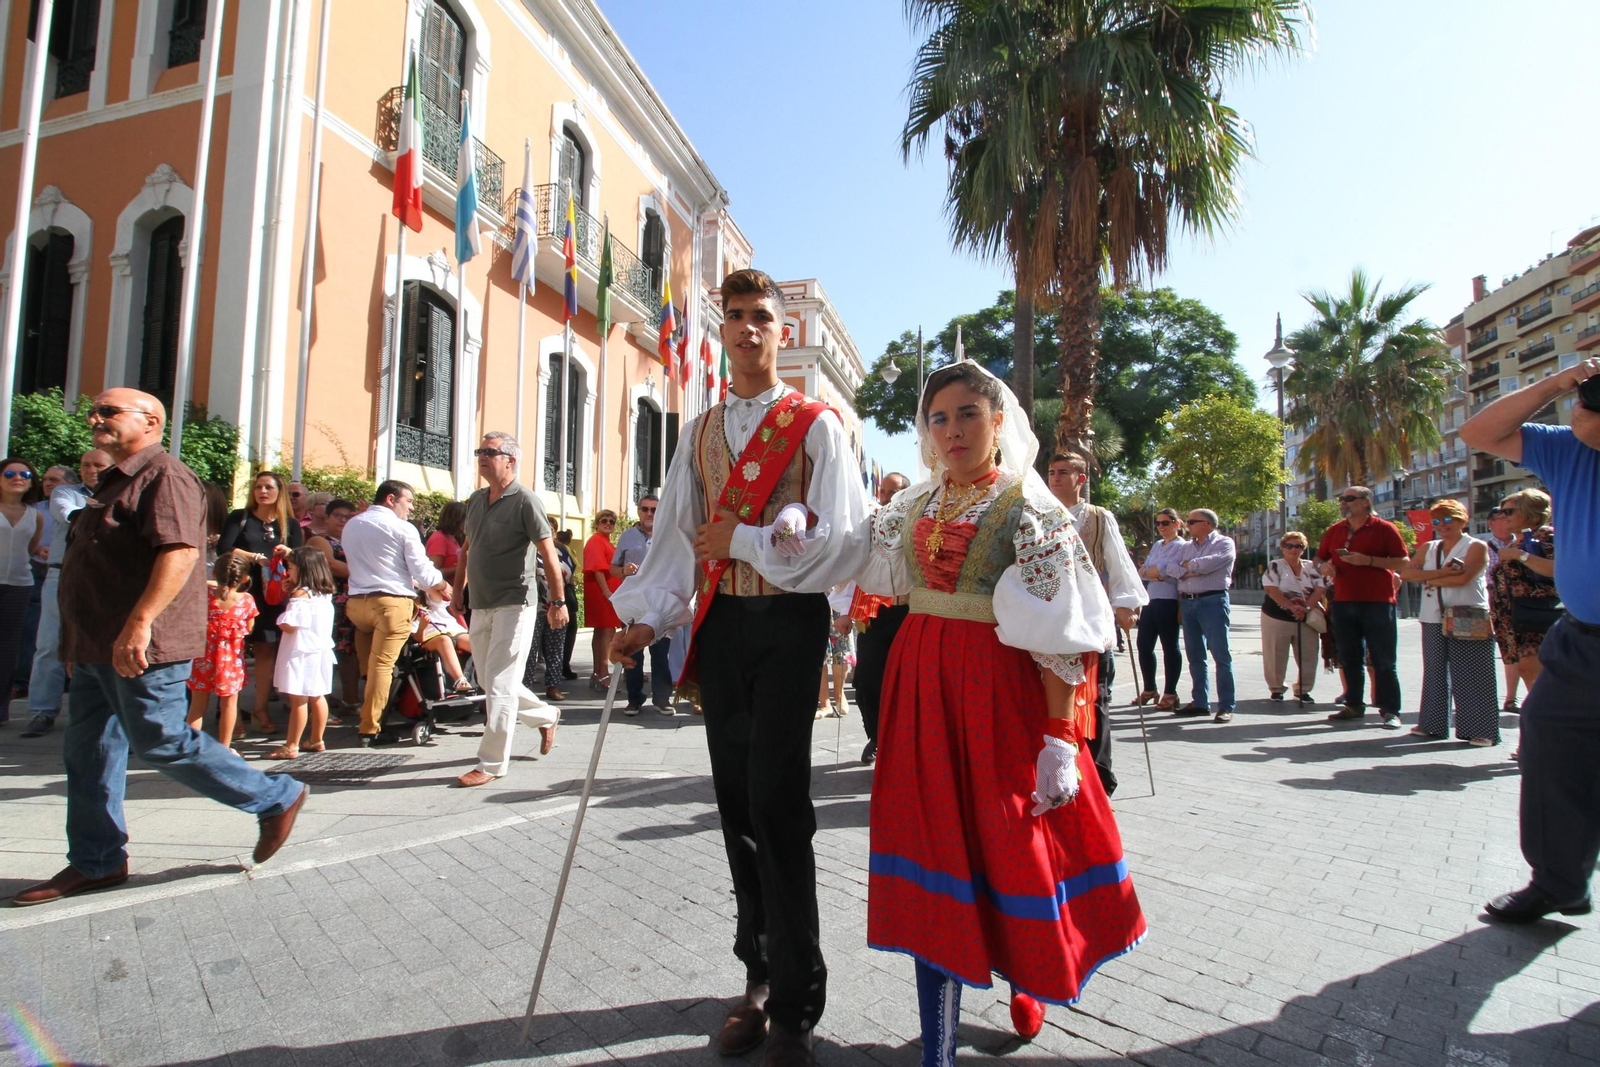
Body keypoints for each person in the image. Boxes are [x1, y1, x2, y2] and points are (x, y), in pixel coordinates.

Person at [609, 268, 870, 1067]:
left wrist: (750, 542)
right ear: (721, 329)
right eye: (736, 316)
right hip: (722, 629)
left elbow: (845, 543)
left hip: (789, 628)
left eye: (763, 316)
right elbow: (678, 543)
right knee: (734, 805)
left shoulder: (820, 425)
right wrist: (645, 617)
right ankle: (757, 974)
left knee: (778, 803)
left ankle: (795, 1003)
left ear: (782, 333)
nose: (750, 328)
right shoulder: (699, 433)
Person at [855, 361, 1144, 1058]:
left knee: (1007, 845)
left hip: (997, 693)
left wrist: (1058, 739)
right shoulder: (909, 507)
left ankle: (1027, 974)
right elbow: (851, 559)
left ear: (999, 420)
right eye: (938, 418)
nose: (951, 430)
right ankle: (939, 1046)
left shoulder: (1032, 507)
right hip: (920, 687)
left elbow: (1063, 634)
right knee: (932, 849)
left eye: (966, 415)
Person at [11, 389, 308, 907]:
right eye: (94, 411)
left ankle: (275, 796)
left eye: (108, 411)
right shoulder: (113, 479)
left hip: (140, 645)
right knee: (89, 752)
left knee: (162, 741)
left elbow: (180, 553)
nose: (94, 418)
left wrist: (141, 623)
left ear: (150, 421)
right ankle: (97, 860)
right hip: (98, 644)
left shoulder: (164, 476)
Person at [1461, 356, 1600, 923]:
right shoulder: (1570, 451)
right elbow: (1479, 432)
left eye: (1584, 406)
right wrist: (1557, 379)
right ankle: (1560, 881)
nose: (1576, 411)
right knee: (1548, 744)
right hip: (1581, 638)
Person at [453, 432, 566, 786]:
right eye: (480, 451)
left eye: (491, 451)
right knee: (487, 679)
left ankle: (490, 764)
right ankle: (546, 715)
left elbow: (548, 554)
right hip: (480, 602)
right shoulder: (474, 500)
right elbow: (466, 551)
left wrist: (557, 602)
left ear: (510, 460)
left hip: (515, 602)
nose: (483, 456)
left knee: (500, 682)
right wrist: (458, 591)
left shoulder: (526, 500)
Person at [1046, 450, 1146, 793]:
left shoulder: (1099, 518)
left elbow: (1119, 563)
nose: (1055, 477)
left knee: (1096, 696)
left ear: (1080, 479)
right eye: (1052, 472)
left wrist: (1127, 603)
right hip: (1050, 620)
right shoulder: (1038, 514)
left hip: (1092, 619)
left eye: (1063, 472)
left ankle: (1101, 776)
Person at [340, 480, 449, 744]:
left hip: (357, 604)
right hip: (391, 604)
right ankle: (370, 728)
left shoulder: (352, 524)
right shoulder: (402, 528)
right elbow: (423, 573)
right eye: (408, 501)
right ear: (391, 499)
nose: (411, 507)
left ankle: (373, 714)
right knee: (382, 667)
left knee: (370, 667)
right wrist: (444, 585)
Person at [21, 449, 111, 737]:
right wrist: (110, 512)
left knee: (99, 647)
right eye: (86, 464)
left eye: (98, 464)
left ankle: (97, 714)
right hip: (61, 574)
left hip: (106, 577)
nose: (91, 469)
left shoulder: (125, 490)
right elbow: (69, 516)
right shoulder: (65, 493)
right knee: (49, 644)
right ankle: (42, 711)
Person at [1397, 499, 1497, 746]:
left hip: (1467, 615)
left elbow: (1463, 579)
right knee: (1434, 672)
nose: (1442, 525)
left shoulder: (1476, 546)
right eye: (1437, 521)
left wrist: (1428, 580)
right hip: (1432, 617)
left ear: (1462, 520)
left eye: (1447, 519)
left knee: (1473, 672)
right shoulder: (1429, 548)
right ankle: (1432, 725)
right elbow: (1407, 574)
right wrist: (1442, 574)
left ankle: (1481, 730)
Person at [217, 471, 305, 734]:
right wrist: (255, 557)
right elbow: (224, 547)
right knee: (232, 650)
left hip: (273, 595)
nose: (262, 491)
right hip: (241, 592)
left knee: (267, 651)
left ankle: (260, 709)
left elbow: (299, 559)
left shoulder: (289, 524)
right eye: (258, 487)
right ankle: (227, 712)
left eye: (268, 487)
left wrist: (288, 554)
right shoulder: (240, 517)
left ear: (279, 491)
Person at [1315, 486, 1409, 729]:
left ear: (1366, 502)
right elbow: (1318, 558)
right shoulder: (1334, 530)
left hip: (1378, 602)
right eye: (1342, 499)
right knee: (1349, 657)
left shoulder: (1384, 528)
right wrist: (1323, 566)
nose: (1344, 503)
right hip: (1344, 602)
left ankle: (1390, 711)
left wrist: (1368, 561)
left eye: (1350, 499)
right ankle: (1354, 704)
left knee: (1384, 659)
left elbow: (1403, 561)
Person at [849, 470, 910, 764]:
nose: (886, 498)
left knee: (906, 683)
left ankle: (903, 743)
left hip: (910, 613)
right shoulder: (870, 523)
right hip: (874, 612)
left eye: (893, 493)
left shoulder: (917, 520)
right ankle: (876, 735)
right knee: (866, 680)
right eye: (883, 492)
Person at [1488, 489, 1557, 715]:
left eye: (1509, 511)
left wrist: (1521, 556)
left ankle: (1546, 729)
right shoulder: (1517, 540)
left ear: (1529, 512)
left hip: (1538, 617)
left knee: (1532, 668)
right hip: (1516, 619)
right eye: (1500, 511)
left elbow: (1557, 569)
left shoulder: (1546, 536)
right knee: (1528, 671)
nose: (1503, 516)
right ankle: (1539, 732)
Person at [1165, 508, 1237, 723]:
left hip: (1213, 601)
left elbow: (1211, 563)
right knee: (1195, 656)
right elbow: (1170, 568)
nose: (1188, 524)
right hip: (1188, 603)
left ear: (1206, 523)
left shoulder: (1224, 543)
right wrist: (1194, 569)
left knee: (1221, 655)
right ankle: (1200, 702)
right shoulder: (1186, 546)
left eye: (1192, 521)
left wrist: (1189, 567)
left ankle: (1225, 706)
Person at [265, 547, 337, 760]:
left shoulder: (300, 595)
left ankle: (291, 744)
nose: (289, 572)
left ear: (304, 570)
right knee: (318, 695)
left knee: (298, 699)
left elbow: (291, 625)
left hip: (300, 652)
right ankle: (316, 738)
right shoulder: (325, 592)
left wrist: (282, 615)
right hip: (320, 648)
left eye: (292, 568)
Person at [185, 550, 260, 750]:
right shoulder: (246, 600)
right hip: (231, 661)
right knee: (229, 705)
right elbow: (250, 627)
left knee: (196, 707)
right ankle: (225, 748)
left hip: (203, 658)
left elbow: (199, 586)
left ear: (214, 574)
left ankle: (191, 749)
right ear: (245, 578)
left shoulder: (205, 596)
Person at [613, 495, 672, 715]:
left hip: (659, 602)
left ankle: (662, 699)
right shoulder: (627, 537)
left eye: (654, 510)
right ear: (638, 511)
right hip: (633, 603)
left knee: (660, 653)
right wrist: (624, 571)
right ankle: (634, 699)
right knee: (632, 653)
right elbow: (613, 569)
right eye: (645, 509)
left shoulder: (668, 537)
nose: (649, 514)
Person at [14, 464, 69, 698]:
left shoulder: (71, 502)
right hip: (36, 571)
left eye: (55, 480)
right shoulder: (34, 509)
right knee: (34, 634)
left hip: (63, 573)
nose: (48, 483)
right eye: (46, 479)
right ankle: (28, 690)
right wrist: (38, 548)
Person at [1260, 530, 1327, 705]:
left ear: (1304, 549)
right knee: (1275, 653)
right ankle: (1276, 688)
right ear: (1282, 547)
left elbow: (1319, 589)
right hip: (1277, 616)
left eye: (1298, 546)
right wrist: (1290, 606)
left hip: (1305, 617)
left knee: (1308, 653)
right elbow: (1271, 589)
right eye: (1289, 545)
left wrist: (1305, 608)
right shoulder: (1275, 565)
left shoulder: (1311, 567)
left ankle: (1303, 689)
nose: (1293, 549)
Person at [0, 457, 44, 723]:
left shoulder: (35, 515)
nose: (18, 478)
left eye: (25, 474)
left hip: (18, 586)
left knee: (7, 650)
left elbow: (30, 550)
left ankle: (1, 710)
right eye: (10, 473)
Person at [1137, 508, 1186, 711]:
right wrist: (1153, 573)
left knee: (1169, 646)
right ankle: (1150, 688)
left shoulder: (1181, 546)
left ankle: (1170, 693)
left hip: (1169, 600)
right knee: (1144, 645)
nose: (1161, 527)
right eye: (1158, 523)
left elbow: (1166, 571)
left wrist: (1153, 572)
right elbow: (1143, 570)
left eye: (1166, 523)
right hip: (1151, 599)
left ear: (1177, 524)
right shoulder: (1157, 545)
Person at [1483, 503, 1525, 711]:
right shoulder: (1484, 548)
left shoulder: (1525, 544)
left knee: (1530, 650)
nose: (1507, 520)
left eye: (1510, 515)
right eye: (1502, 516)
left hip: (1527, 603)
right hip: (1500, 606)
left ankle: (1532, 696)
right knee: (1510, 651)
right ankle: (1511, 698)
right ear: (1491, 523)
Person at [583, 510, 623, 689]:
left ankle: (598, 673)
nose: (608, 523)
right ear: (597, 523)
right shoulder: (596, 541)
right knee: (606, 633)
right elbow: (597, 569)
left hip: (605, 593)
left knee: (602, 633)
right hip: (602, 594)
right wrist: (607, 592)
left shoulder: (603, 541)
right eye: (604, 520)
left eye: (611, 521)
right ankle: (603, 673)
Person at [416, 590, 473, 692]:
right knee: (444, 640)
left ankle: (496, 674)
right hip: (431, 638)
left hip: (455, 632)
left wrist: (416, 581)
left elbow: (434, 591)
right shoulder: (407, 611)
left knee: (475, 642)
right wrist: (422, 627)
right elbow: (418, 639)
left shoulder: (429, 598)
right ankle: (459, 680)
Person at [817, 583, 854, 720]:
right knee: (819, 651)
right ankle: (824, 702)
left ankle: (839, 694)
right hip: (816, 592)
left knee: (841, 649)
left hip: (840, 594)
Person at [554, 530, 579, 680]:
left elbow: (572, 572)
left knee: (569, 630)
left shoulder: (565, 551)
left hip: (566, 595)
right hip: (545, 598)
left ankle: (563, 666)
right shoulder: (535, 550)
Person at [426, 501, 466, 584]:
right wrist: (461, 568)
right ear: (456, 520)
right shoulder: (439, 539)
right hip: (442, 593)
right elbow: (432, 572)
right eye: (465, 519)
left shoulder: (454, 538)